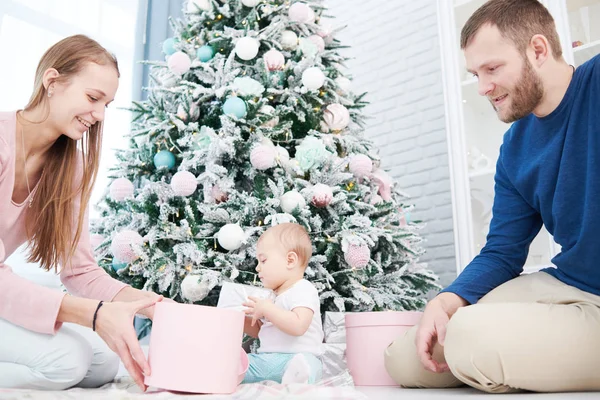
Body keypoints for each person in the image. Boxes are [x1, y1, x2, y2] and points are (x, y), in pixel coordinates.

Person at [383, 0, 600, 393]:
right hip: (570, 283)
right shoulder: (515, 148)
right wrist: (447, 300)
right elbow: (502, 251)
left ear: (538, 50)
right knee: (407, 359)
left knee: (469, 339)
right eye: (475, 73)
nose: (482, 87)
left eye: (492, 69)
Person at [0, 34, 165, 392]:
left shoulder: (67, 168)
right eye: (93, 98)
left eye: (107, 103)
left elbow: (80, 271)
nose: (100, 114)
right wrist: (92, 315)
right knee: (68, 362)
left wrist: (152, 306)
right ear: (52, 82)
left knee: (105, 361)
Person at [241, 223, 324, 384]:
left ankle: (299, 377)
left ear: (290, 260)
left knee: (309, 365)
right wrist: (240, 320)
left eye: (263, 260)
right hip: (267, 360)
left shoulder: (302, 288)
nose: (257, 268)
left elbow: (298, 325)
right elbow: (262, 331)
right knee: (242, 364)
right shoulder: (273, 297)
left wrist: (267, 308)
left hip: (299, 357)